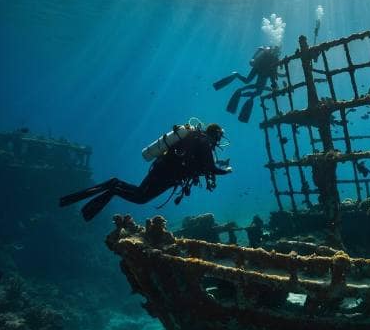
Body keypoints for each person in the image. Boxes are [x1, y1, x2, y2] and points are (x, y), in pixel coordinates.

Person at [59, 124, 232, 222]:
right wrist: (226, 172)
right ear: (215, 134)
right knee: (141, 198)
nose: (218, 141)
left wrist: (215, 166)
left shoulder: (196, 138)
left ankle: (113, 184)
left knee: (139, 193)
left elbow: (200, 165)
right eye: (219, 137)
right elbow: (209, 168)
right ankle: (113, 188)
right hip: (166, 174)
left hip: (162, 169)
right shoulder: (203, 141)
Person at [213, 45, 280, 122]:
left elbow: (272, 73)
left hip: (259, 70)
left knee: (249, 83)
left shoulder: (271, 57)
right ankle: (241, 90)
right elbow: (274, 74)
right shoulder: (275, 59)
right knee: (256, 90)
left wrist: (273, 84)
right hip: (261, 71)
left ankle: (239, 87)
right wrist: (274, 84)